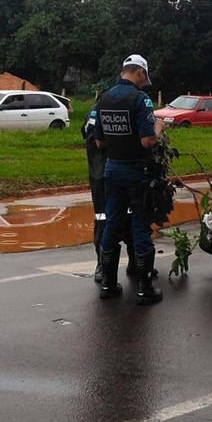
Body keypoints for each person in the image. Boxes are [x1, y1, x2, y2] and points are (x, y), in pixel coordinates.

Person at [93, 54, 165, 305]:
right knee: (140, 225)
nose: (145, 83)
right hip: (136, 170)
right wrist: (159, 127)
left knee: (112, 224)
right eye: (145, 77)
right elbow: (148, 141)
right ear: (140, 73)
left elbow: (99, 141)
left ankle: (108, 284)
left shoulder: (104, 98)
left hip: (112, 169)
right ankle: (145, 290)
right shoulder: (140, 99)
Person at [82, 97, 135, 283]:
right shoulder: (108, 110)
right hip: (110, 171)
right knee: (108, 218)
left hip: (103, 173)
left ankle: (129, 262)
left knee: (124, 215)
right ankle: (105, 265)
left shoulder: (96, 110)